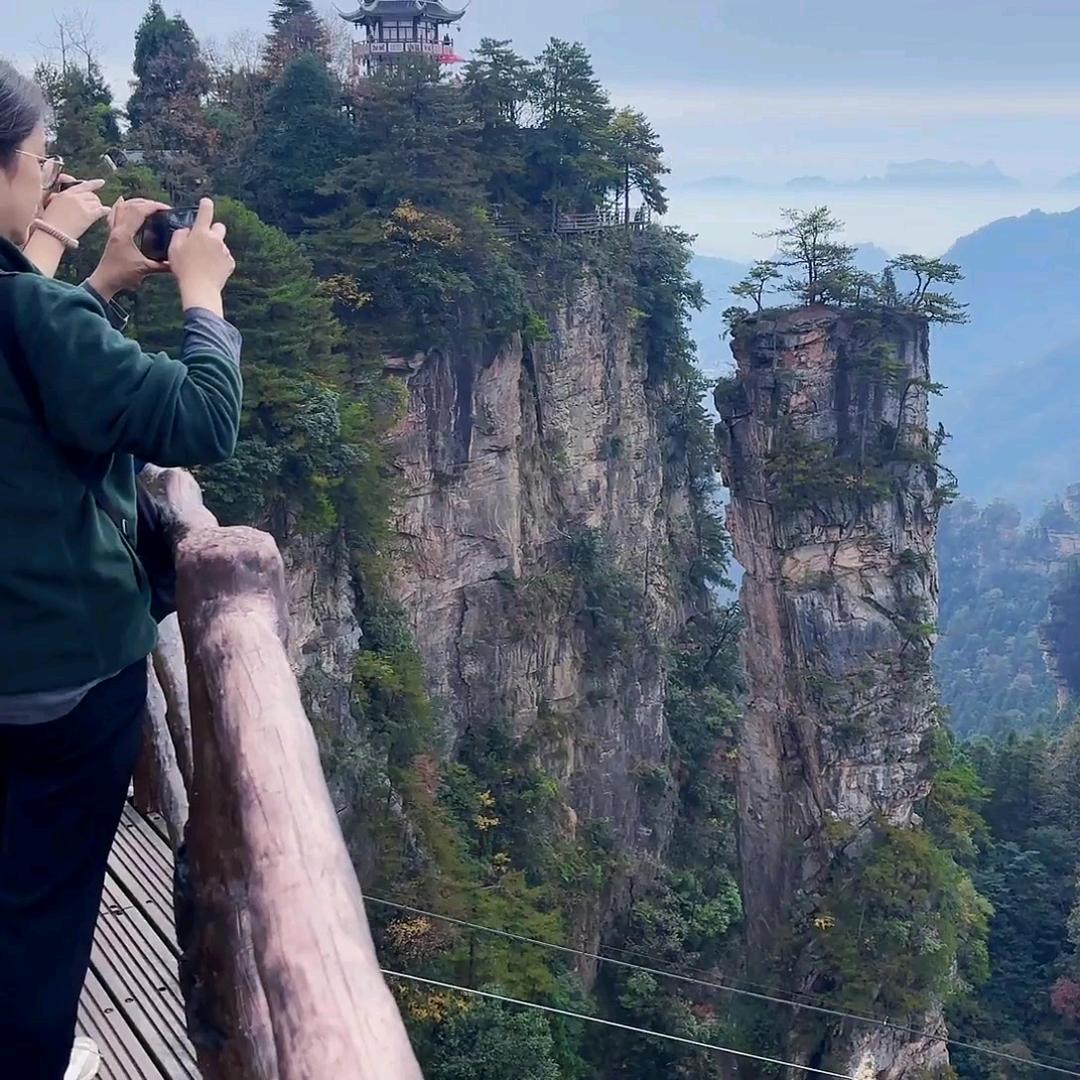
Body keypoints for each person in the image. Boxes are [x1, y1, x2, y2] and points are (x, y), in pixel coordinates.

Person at [0, 61, 243, 1080]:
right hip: (55, 675)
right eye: (40, 158)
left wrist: (92, 284)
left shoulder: (40, 314)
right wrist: (202, 294)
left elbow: (39, 382)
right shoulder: (33, 314)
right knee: (40, 911)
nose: (47, 176)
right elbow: (203, 419)